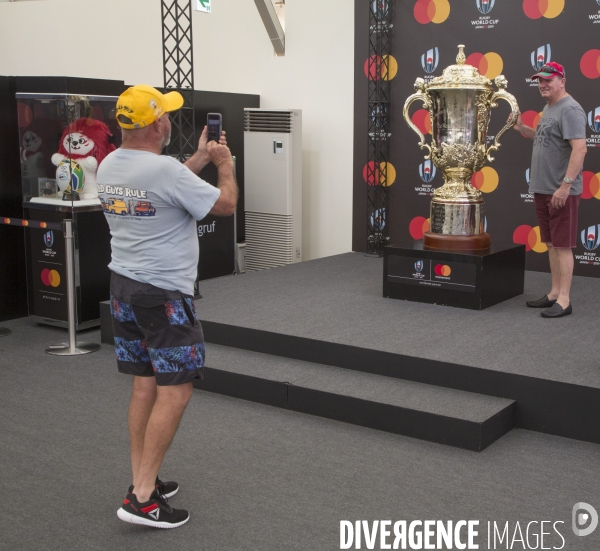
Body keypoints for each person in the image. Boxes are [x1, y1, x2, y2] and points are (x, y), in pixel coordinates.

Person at [97, 84, 237, 528]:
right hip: (164, 297)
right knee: (175, 391)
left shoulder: (109, 165)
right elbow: (226, 204)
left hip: (125, 289)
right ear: (158, 123)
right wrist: (224, 165)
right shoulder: (165, 172)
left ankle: (144, 479)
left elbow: (167, 181)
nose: (170, 120)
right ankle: (142, 499)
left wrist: (196, 160)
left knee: (144, 386)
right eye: (167, 114)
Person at [512, 61, 587, 318]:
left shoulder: (570, 109)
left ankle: (564, 300)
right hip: (544, 189)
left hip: (560, 191)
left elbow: (580, 149)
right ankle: (554, 293)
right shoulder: (550, 108)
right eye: (540, 81)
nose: (543, 85)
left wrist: (565, 186)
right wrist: (522, 128)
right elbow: (546, 139)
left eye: (549, 80)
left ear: (562, 80)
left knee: (563, 246)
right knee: (552, 244)